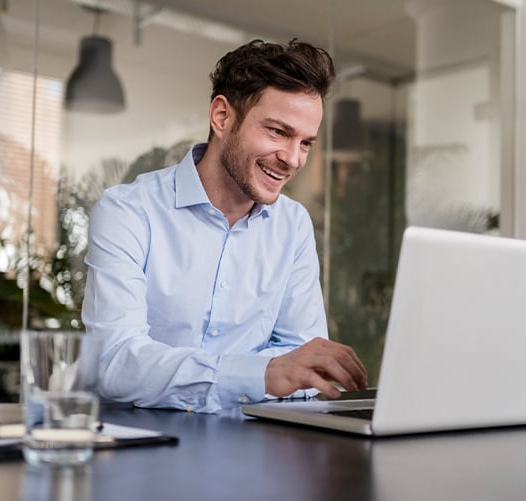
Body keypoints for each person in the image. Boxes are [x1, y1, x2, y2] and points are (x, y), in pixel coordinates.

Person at [82, 39, 368, 413]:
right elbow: (115, 361)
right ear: (222, 117)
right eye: (278, 132)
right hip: (139, 443)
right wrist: (261, 375)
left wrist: (281, 371)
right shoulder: (129, 211)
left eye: (306, 142)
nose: (293, 159)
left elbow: (304, 368)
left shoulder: (293, 226)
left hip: (252, 447)